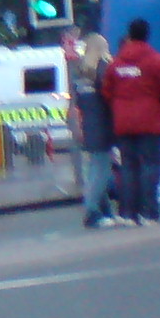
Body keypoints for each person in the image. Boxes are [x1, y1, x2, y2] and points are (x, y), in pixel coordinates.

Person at [101, 19, 160, 225]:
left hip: (123, 122)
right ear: (147, 35)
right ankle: (150, 212)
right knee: (152, 165)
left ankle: (128, 213)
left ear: (130, 35)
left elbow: (107, 91)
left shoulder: (116, 63)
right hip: (150, 120)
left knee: (128, 167)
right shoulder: (156, 61)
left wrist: (119, 107)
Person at [70, 32, 116, 227]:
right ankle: (92, 212)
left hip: (86, 124)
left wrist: (76, 126)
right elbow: (111, 98)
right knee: (101, 171)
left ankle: (105, 211)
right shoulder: (103, 69)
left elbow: (75, 102)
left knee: (95, 169)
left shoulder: (79, 71)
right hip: (102, 123)